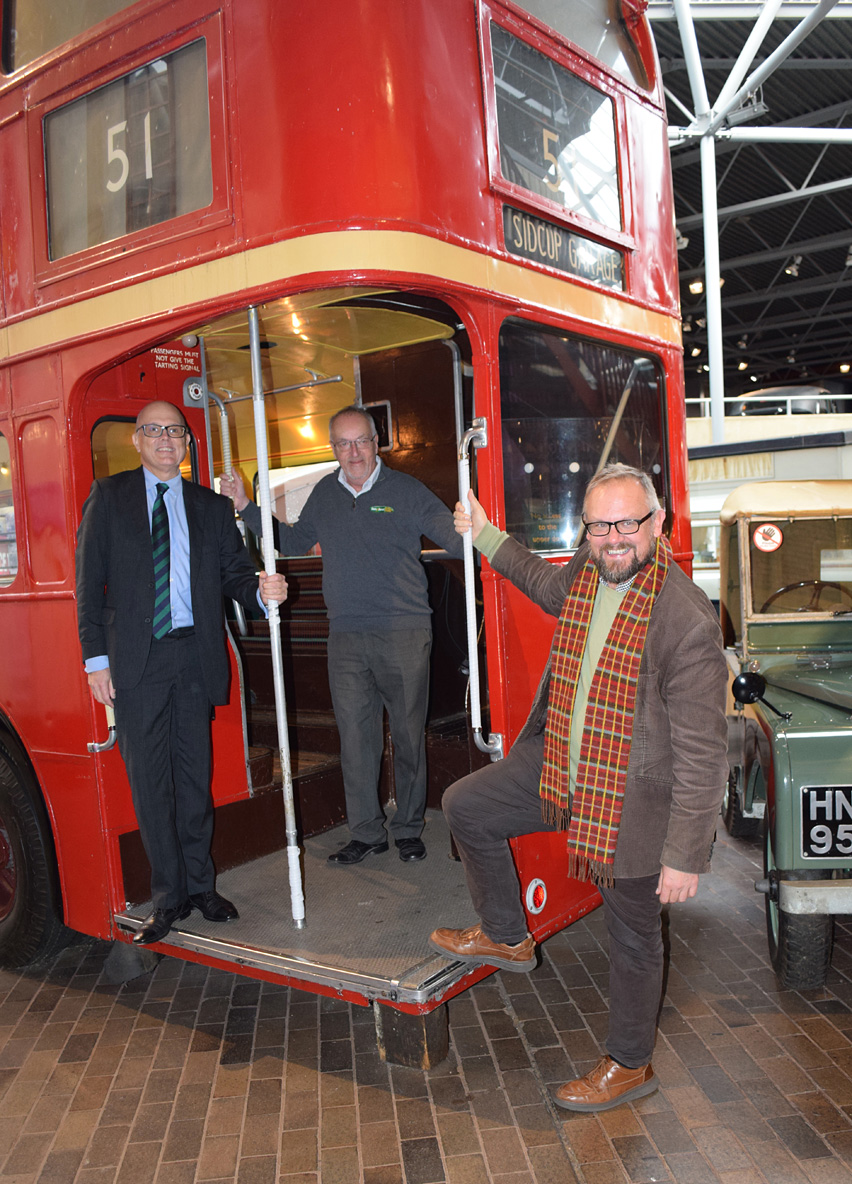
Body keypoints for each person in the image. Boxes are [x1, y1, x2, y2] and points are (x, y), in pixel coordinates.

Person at [429, 464, 727, 1112]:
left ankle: (629, 1064)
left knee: (634, 937)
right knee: (467, 806)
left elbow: (705, 754)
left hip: (632, 797)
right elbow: (539, 579)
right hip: (560, 763)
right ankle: (507, 932)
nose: (613, 537)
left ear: (659, 523)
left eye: (627, 523)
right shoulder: (588, 573)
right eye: (599, 524)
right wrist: (482, 533)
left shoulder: (687, 619)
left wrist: (684, 855)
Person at [76, 401, 288, 946]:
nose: (166, 439)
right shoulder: (110, 497)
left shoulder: (212, 508)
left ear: (188, 443)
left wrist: (262, 594)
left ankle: (202, 887)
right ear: (138, 441)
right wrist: (95, 661)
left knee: (195, 780)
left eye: (176, 431)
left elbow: (236, 575)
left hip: (194, 656)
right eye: (155, 431)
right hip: (137, 663)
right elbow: (88, 586)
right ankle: (167, 898)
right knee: (151, 784)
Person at [219, 405, 462, 865]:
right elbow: (290, 542)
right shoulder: (325, 495)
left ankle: (409, 827)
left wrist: (472, 527)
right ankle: (367, 831)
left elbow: (454, 538)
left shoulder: (406, 491)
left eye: (362, 441)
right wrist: (247, 509)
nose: (353, 452)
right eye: (343, 443)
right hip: (346, 635)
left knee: (409, 735)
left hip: (404, 632)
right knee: (355, 738)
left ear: (377, 443)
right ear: (333, 448)